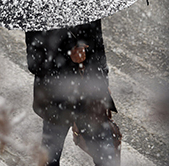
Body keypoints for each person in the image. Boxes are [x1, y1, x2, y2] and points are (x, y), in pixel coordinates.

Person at [25, 19, 121, 166]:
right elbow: (34, 63)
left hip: (90, 97)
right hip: (56, 100)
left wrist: (103, 80)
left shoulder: (87, 5)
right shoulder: (40, 16)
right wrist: (68, 56)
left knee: (107, 158)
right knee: (50, 159)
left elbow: (98, 45)